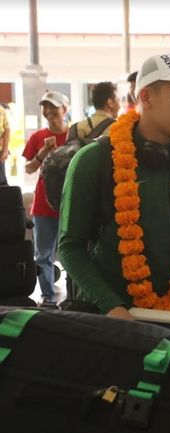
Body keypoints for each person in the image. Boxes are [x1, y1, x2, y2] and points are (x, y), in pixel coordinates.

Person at [58, 52, 170, 342]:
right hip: (112, 325)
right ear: (146, 97)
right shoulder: (93, 161)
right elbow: (70, 247)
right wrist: (111, 306)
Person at [23, 91, 71, 306]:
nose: (49, 112)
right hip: (43, 205)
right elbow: (28, 168)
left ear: (65, 109)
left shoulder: (75, 135)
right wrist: (41, 154)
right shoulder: (37, 137)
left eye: (54, 107)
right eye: (45, 107)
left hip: (70, 203)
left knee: (72, 253)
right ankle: (48, 297)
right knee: (43, 255)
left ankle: (74, 297)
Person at [0, 104, 9, 186]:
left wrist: (5, 150)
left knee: (2, 183)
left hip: (0, 152)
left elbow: (7, 129)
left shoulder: (1, 110)